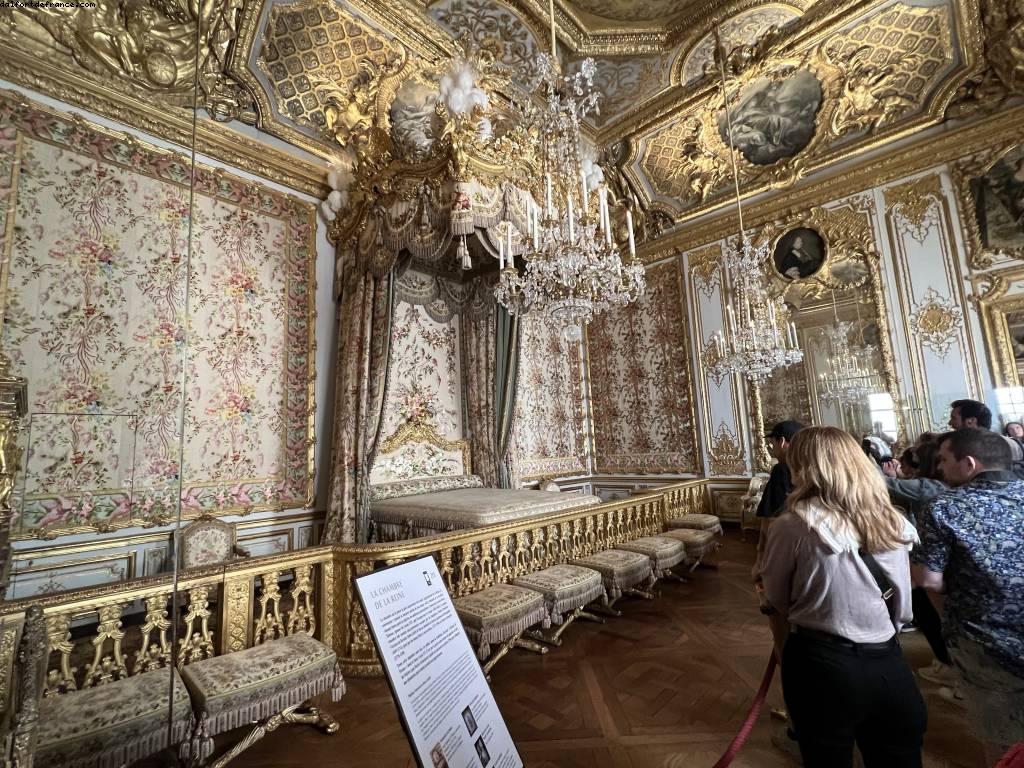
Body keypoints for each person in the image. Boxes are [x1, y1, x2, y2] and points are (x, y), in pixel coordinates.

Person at [758, 426, 927, 768]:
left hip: (821, 662)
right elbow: (903, 601)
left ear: (803, 467)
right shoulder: (892, 521)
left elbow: (776, 597)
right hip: (890, 660)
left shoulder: (793, 526)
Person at [912, 428, 1024, 765]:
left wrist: (951, 617)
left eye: (945, 460)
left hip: (985, 639)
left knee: (1003, 741)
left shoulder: (944, 507)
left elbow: (928, 580)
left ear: (970, 463)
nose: (941, 469)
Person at [883, 435, 955, 686]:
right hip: (937, 559)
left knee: (931, 614)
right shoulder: (937, 485)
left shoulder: (931, 487)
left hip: (929, 562)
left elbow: (888, 486)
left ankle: (949, 664)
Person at [754, 420, 804, 563]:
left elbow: (770, 518)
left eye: (772, 442)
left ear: (781, 441)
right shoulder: (811, 465)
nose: (771, 446)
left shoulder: (781, 469)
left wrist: (761, 556)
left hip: (786, 546)